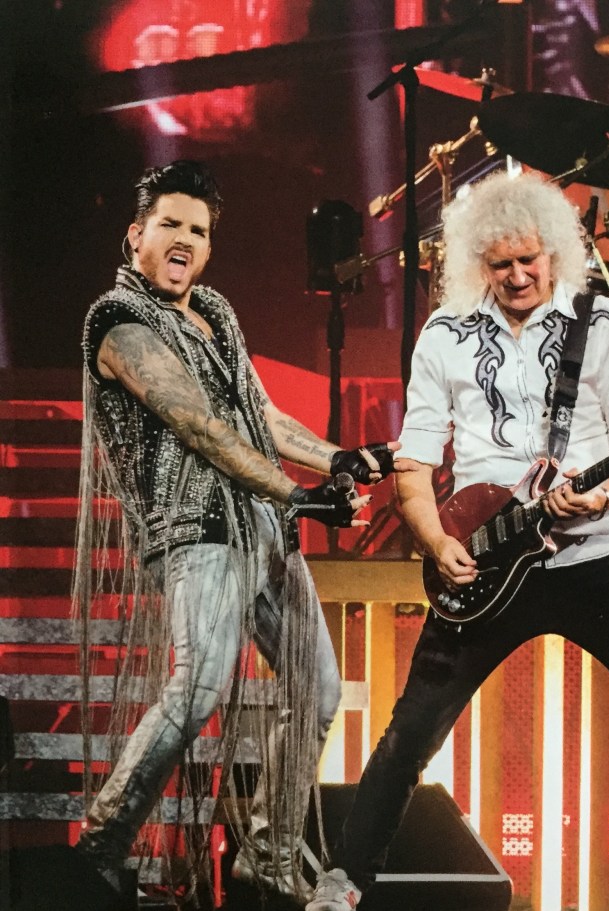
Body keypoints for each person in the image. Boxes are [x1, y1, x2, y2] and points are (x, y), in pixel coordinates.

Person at [306, 170, 609, 911]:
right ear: (477, 261)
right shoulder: (444, 334)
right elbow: (414, 461)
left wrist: (598, 494)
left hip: (599, 556)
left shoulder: (599, 324)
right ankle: (345, 880)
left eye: (529, 260)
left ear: (556, 254)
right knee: (411, 728)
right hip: (483, 557)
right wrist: (436, 538)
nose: (517, 276)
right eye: (500, 263)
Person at [72, 159, 407, 905]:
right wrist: (300, 494)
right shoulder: (119, 322)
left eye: (198, 228)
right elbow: (198, 425)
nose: (185, 239)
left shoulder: (215, 312)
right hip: (195, 534)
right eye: (170, 225)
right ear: (136, 236)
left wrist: (342, 457)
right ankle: (102, 839)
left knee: (317, 691)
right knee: (196, 691)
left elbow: (259, 416)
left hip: (262, 528)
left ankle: (271, 849)